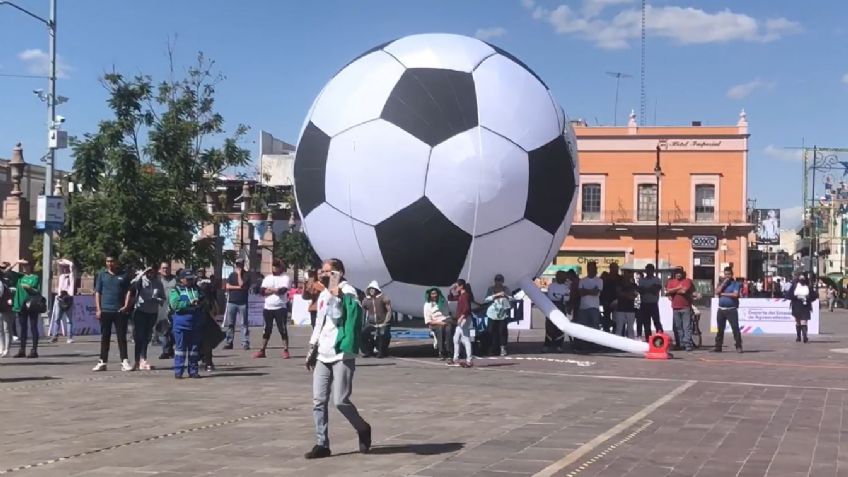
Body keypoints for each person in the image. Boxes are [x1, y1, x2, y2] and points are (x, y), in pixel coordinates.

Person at [304, 258, 371, 459]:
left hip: (341, 351)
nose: (323, 274)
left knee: (340, 400)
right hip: (323, 352)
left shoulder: (347, 291)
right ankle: (322, 443)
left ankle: (363, 427)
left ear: (338, 272)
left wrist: (336, 291)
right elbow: (320, 323)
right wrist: (311, 349)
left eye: (328, 271)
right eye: (322, 271)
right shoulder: (324, 293)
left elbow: (340, 314)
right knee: (318, 400)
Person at [93, 255, 134, 371]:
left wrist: (126, 305)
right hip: (105, 310)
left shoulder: (123, 275)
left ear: (116, 262)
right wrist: (98, 309)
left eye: (112, 261)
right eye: (107, 261)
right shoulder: (102, 275)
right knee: (105, 337)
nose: (110, 263)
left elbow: (128, 291)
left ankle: (124, 360)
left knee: (121, 337)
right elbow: (97, 293)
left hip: (119, 311)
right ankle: (102, 361)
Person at [169, 269, 204, 378]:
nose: (190, 281)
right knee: (180, 349)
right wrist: (189, 303)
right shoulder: (176, 290)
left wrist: (201, 302)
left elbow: (203, 300)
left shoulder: (196, 289)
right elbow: (175, 305)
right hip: (181, 324)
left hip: (195, 323)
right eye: (187, 279)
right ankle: (178, 371)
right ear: (181, 279)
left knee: (194, 349)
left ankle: (193, 371)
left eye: (191, 279)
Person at [253, 259, 291, 359]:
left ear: (280, 267)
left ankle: (285, 350)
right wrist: (275, 290)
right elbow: (262, 292)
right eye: (274, 266)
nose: (275, 268)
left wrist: (271, 289)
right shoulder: (267, 278)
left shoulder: (285, 278)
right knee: (267, 329)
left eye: (277, 266)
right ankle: (262, 350)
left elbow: (283, 291)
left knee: (282, 329)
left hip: (280, 307)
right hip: (268, 307)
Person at [130, 266, 165, 370]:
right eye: (148, 271)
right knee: (139, 336)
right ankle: (136, 360)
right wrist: (142, 273)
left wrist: (158, 299)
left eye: (152, 271)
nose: (150, 273)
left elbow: (163, 298)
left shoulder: (158, 282)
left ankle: (143, 359)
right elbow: (133, 284)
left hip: (152, 312)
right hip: (140, 311)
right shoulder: (141, 280)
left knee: (147, 336)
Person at [12, 260, 42, 359]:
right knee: (23, 328)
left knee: (33, 327)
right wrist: (16, 262)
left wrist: (28, 287)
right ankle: (22, 350)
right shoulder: (20, 277)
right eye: (23, 266)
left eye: (26, 266)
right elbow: (6, 272)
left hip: (32, 304)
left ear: (30, 267)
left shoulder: (35, 277)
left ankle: (34, 350)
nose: (24, 268)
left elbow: (36, 290)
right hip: (21, 305)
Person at [223, 258, 251, 350]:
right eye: (237, 264)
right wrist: (238, 287)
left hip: (242, 302)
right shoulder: (231, 275)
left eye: (240, 264)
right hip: (232, 302)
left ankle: (245, 342)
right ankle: (229, 342)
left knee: (244, 323)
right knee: (231, 323)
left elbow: (242, 284)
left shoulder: (246, 275)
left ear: (243, 265)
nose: (238, 266)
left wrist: (239, 274)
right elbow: (227, 286)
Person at [714, 266, 743, 353]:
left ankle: (738, 345)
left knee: (735, 328)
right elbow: (716, 292)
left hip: (731, 309)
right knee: (720, 329)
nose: (727, 276)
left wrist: (723, 293)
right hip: (721, 310)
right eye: (726, 274)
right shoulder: (720, 283)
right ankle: (718, 346)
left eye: (729, 274)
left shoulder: (735, 284)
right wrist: (723, 284)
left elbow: (735, 294)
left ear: (732, 274)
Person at [576, 261, 603, 352]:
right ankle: (584, 345)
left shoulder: (599, 280)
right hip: (583, 307)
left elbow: (596, 293)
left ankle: (594, 345)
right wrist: (590, 291)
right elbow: (581, 293)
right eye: (590, 268)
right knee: (583, 327)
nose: (592, 270)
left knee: (595, 327)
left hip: (594, 307)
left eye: (593, 268)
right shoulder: (582, 280)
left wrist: (586, 291)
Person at [360, 281, 393, 358]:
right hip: (371, 323)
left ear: (376, 289)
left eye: (373, 289)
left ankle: (381, 352)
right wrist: (363, 323)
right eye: (370, 289)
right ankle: (368, 351)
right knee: (363, 333)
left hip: (383, 322)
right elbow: (363, 312)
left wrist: (386, 321)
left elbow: (389, 310)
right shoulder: (366, 300)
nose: (371, 291)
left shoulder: (383, 298)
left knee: (382, 335)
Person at [666, 267, 695, 352]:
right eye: (677, 273)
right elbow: (667, 292)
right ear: (675, 274)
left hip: (685, 307)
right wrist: (678, 288)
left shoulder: (687, 281)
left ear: (682, 274)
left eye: (680, 273)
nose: (678, 274)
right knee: (678, 327)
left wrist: (672, 291)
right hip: (675, 307)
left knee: (687, 327)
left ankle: (688, 344)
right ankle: (681, 344)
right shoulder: (671, 282)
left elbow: (684, 291)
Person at [48, 258, 75, 344]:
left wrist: (65, 261)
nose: (64, 269)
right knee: (57, 318)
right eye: (63, 267)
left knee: (69, 320)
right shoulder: (61, 276)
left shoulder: (71, 276)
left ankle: (70, 337)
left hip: (68, 298)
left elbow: (71, 264)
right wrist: (60, 261)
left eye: (66, 267)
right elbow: (57, 265)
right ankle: (55, 336)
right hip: (60, 298)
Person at [484, 274, 511, 357]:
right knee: (491, 331)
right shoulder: (490, 289)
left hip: (502, 314)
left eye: (500, 280)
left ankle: (503, 348)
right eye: (497, 280)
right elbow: (486, 299)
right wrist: (495, 295)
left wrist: (505, 295)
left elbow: (512, 298)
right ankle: (491, 348)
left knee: (502, 331)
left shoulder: (506, 289)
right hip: (492, 313)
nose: (498, 282)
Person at [544, 270, 570, 352]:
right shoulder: (552, 286)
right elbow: (551, 296)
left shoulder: (566, 287)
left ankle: (559, 345)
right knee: (549, 327)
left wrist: (559, 296)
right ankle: (547, 345)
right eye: (562, 276)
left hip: (562, 307)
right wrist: (561, 296)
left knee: (560, 327)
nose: (564, 278)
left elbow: (567, 297)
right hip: (552, 308)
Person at [423, 287, 452, 360]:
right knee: (440, 329)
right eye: (432, 294)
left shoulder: (443, 301)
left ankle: (449, 351)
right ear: (430, 295)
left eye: (435, 293)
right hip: (435, 323)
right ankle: (441, 351)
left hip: (445, 320)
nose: (434, 295)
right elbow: (428, 321)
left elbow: (447, 313)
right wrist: (440, 323)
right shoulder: (427, 305)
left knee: (449, 330)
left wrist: (446, 321)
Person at [787, 273, 817, 343]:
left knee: (804, 322)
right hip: (796, 305)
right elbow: (788, 295)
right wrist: (797, 297)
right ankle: (798, 336)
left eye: (803, 278)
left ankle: (805, 336)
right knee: (798, 322)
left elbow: (814, 296)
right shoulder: (794, 286)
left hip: (805, 306)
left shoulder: (809, 287)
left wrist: (807, 298)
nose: (802, 280)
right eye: (800, 278)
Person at [636, 264, 663, 341]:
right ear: (646, 270)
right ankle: (648, 340)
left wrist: (646, 289)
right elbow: (641, 291)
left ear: (653, 270)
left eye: (650, 269)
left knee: (657, 322)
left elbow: (655, 290)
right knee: (646, 324)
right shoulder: (641, 280)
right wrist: (650, 288)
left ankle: (660, 338)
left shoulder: (657, 279)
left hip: (653, 304)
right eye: (647, 269)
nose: (649, 271)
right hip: (644, 304)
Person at [156, 262, 177, 358]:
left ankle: (170, 348)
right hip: (161, 309)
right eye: (163, 268)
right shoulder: (157, 281)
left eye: (167, 268)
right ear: (160, 269)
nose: (165, 270)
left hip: (174, 309)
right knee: (162, 331)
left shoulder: (176, 280)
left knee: (173, 331)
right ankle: (166, 351)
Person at [613, 270, 638, 339]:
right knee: (619, 329)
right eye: (626, 274)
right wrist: (629, 295)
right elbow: (619, 293)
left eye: (629, 274)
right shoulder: (619, 284)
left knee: (630, 329)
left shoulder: (634, 285)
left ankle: (630, 346)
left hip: (631, 309)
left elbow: (635, 296)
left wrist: (624, 294)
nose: (627, 275)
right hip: (620, 309)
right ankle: (617, 346)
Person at [600, 263, 622, 333]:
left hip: (617, 301)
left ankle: (615, 333)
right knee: (606, 319)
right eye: (613, 268)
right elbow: (602, 289)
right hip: (606, 301)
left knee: (617, 319)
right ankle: (606, 333)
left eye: (616, 268)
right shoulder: (605, 277)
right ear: (610, 268)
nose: (615, 269)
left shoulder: (620, 278)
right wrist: (603, 300)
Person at [0, 273, 13, 357]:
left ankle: (7, 350)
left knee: (6, 329)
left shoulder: (3, 282)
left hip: (4, 308)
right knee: (0, 329)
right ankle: (1, 348)